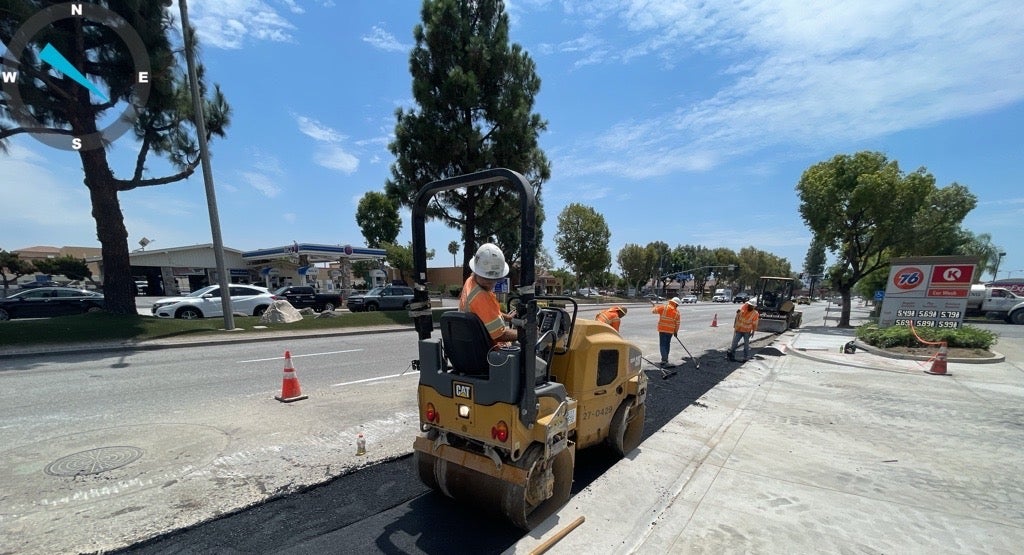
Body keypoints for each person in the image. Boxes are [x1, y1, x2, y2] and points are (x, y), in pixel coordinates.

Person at [459, 243, 518, 345]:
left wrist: (508, 318)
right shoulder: (481, 297)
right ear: (476, 271)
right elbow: (500, 335)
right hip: (489, 353)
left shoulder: (470, 282)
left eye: (494, 278)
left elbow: (486, 314)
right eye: (486, 277)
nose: (490, 282)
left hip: (473, 345)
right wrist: (526, 333)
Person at [651, 297, 682, 366]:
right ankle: (666, 359)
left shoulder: (664, 308)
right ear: (675, 304)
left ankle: (664, 360)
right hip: (670, 331)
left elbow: (653, 311)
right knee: (667, 344)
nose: (677, 306)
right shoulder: (677, 312)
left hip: (662, 330)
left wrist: (654, 307)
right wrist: (675, 332)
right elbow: (677, 323)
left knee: (662, 345)